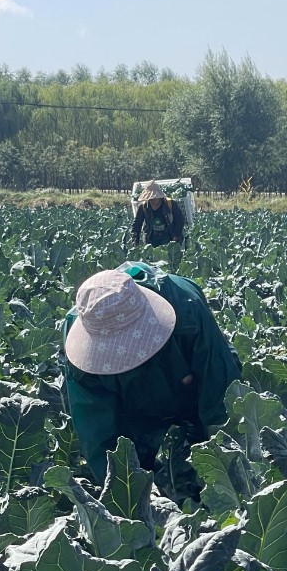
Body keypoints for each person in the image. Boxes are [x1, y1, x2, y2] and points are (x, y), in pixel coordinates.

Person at [61, 262, 243, 482]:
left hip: (190, 388)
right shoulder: (80, 350)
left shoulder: (187, 307)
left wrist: (228, 468)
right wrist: (123, 489)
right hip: (134, 408)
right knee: (133, 463)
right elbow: (97, 432)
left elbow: (219, 390)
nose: (127, 359)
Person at [131, 182, 185, 246]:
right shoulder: (143, 206)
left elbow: (180, 220)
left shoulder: (171, 204)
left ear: (160, 197)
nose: (152, 200)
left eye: (154, 198)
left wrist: (176, 235)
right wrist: (135, 240)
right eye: (150, 199)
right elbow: (137, 224)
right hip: (151, 238)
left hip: (168, 237)